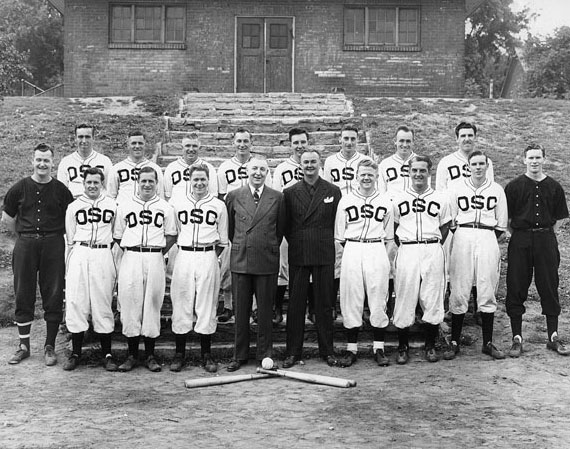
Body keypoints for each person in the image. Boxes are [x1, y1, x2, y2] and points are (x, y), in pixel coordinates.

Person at [2, 143, 74, 366]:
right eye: (38, 160)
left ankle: (49, 346)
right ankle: (23, 346)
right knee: (23, 291)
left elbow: (70, 218)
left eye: (46, 160)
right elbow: (8, 218)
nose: (42, 164)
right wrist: (23, 238)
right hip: (26, 244)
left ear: (53, 162)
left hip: (53, 244)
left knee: (52, 293)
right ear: (32, 161)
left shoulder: (61, 190)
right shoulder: (19, 188)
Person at [504, 143, 570, 357]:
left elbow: (560, 217)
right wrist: (521, 235)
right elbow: (506, 219)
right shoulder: (513, 186)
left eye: (538, 158)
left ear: (544, 159)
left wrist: (544, 233)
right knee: (516, 285)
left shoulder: (554, 186)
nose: (534, 161)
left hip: (545, 240)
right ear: (524, 160)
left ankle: (553, 336)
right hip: (521, 239)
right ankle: (517, 338)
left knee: (549, 285)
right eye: (530, 158)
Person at [443, 151, 507, 361]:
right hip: (463, 234)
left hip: (488, 235)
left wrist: (486, 236)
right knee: (460, 287)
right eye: (474, 164)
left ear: (487, 165)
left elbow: (501, 222)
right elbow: (451, 220)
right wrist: (464, 235)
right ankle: (454, 341)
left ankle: (487, 342)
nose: (478, 167)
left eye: (482, 164)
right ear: (468, 166)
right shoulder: (456, 188)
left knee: (487, 285)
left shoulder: (496, 189)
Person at [113, 167, 177, 372]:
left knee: (152, 302)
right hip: (131, 256)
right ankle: (131, 355)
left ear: (157, 183)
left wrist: (156, 251)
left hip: (154, 256)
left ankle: (150, 355)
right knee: (131, 302)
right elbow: (117, 235)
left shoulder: (165, 207)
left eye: (151, 181)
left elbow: (171, 235)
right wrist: (133, 250)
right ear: (137, 183)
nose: (147, 185)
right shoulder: (125, 205)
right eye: (143, 181)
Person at [282, 150, 342, 368]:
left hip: (323, 252)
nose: (309, 165)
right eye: (305, 162)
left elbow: (337, 222)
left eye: (313, 162)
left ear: (320, 164)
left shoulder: (333, 191)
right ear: (300, 165)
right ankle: (292, 352)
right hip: (299, 253)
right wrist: (300, 240)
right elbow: (285, 225)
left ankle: (327, 351)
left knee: (324, 305)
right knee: (296, 306)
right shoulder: (289, 192)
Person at [225, 157, 285, 371]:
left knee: (266, 310)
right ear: (246, 171)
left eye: (262, 169)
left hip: (266, 260)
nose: (258, 173)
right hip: (241, 259)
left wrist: (265, 245)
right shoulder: (233, 196)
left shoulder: (277, 197)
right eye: (254, 169)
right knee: (241, 311)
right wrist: (244, 244)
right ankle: (239, 355)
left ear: (267, 172)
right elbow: (230, 229)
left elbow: (280, 230)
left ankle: (264, 353)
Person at [334, 158, 394, 367]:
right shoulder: (346, 200)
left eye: (370, 174)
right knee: (352, 297)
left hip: (376, 247)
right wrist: (349, 253)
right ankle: (352, 349)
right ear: (356, 176)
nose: (366, 178)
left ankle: (379, 347)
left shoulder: (385, 201)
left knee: (378, 297)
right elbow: (339, 236)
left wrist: (384, 257)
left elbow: (389, 236)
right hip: (352, 247)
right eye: (363, 174)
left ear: (377, 177)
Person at [169, 165, 229, 373]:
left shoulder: (218, 205)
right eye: (195, 180)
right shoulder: (177, 203)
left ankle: (206, 354)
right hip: (184, 254)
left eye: (203, 179)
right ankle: (180, 354)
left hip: (207, 254)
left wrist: (210, 256)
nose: (199, 183)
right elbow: (173, 231)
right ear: (189, 180)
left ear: (209, 180)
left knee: (206, 304)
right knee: (181, 302)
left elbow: (223, 239)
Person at [392, 155, 451, 364]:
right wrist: (408, 245)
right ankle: (402, 346)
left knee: (432, 296)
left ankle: (430, 345)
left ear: (429, 172)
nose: (418, 174)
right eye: (414, 170)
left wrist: (431, 245)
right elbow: (394, 227)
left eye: (422, 170)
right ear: (409, 172)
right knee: (404, 295)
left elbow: (445, 226)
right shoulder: (398, 198)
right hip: (407, 248)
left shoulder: (441, 197)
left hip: (432, 248)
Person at [63, 167, 118, 371]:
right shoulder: (74, 206)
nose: (92, 186)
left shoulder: (112, 205)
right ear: (83, 184)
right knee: (77, 300)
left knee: (102, 300)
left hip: (103, 253)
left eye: (96, 182)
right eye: (89, 182)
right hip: (80, 251)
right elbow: (70, 236)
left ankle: (107, 353)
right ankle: (76, 352)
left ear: (102, 184)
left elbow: (116, 232)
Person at [216, 129, 272, 323]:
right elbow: (221, 197)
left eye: (246, 141)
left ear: (251, 143)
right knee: (229, 266)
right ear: (233, 143)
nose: (242, 144)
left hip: (256, 219)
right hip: (234, 218)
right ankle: (229, 305)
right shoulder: (224, 167)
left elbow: (268, 194)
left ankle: (255, 308)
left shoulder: (258, 165)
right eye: (238, 141)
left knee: (255, 265)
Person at [377, 125, 419, 315]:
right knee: (390, 261)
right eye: (401, 140)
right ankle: (389, 304)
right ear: (395, 141)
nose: (404, 144)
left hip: (413, 218)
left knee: (413, 264)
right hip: (392, 218)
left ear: (413, 142)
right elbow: (381, 193)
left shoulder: (418, 162)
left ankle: (414, 305)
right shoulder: (385, 164)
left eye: (408, 141)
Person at [272, 128, 308, 324]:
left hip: (310, 224)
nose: (300, 146)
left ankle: (310, 308)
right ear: (290, 144)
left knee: (309, 264)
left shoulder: (314, 164)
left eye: (303, 142)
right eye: (296, 143)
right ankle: (277, 307)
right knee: (282, 266)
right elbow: (276, 198)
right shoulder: (281, 168)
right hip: (289, 222)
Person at [107, 130, 164, 204]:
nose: (137, 146)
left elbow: (160, 195)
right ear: (128, 145)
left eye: (140, 143)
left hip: (147, 212)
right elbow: (110, 196)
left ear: (145, 145)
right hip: (123, 211)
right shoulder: (117, 168)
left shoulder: (155, 168)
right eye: (133, 143)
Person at [57, 124, 113, 198]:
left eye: (87, 137)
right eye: (80, 137)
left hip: (97, 203)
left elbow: (110, 189)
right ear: (75, 139)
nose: (84, 140)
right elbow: (61, 192)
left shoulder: (104, 161)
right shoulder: (66, 162)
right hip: (74, 202)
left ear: (93, 138)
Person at [163, 133, 218, 201]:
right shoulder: (171, 167)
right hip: (177, 209)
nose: (191, 149)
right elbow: (167, 196)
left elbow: (213, 195)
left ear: (199, 148)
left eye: (194, 146)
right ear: (182, 148)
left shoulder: (209, 168)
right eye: (187, 146)